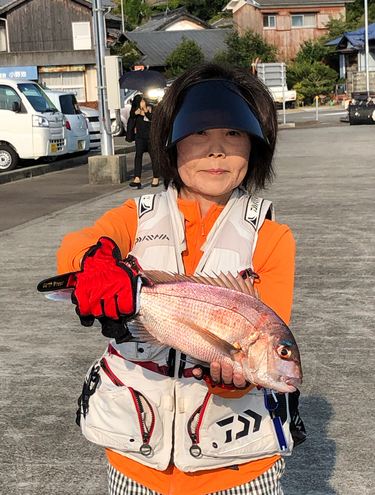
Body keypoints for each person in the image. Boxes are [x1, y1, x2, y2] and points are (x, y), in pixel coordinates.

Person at [55, 63, 303, 495]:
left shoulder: (272, 237)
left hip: (239, 467)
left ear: (256, 147)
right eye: (198, 135)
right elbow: (76, 247)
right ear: (170, 145)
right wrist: (95, 267)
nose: (216, 151)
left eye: (234, 135)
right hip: (135, 460)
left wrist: (233, 378)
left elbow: (269, 324)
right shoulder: (134, 217)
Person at [128, 94, 159, 189]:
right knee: (138, 156)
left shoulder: (152, 105)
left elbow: (154, 119)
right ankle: (137, 178)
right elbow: (131, 115)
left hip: (150, 136)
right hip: (139, 136)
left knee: (154, 157)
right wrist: (136, 112)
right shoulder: (137, 104)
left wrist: (145, 110)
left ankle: (156, 177)